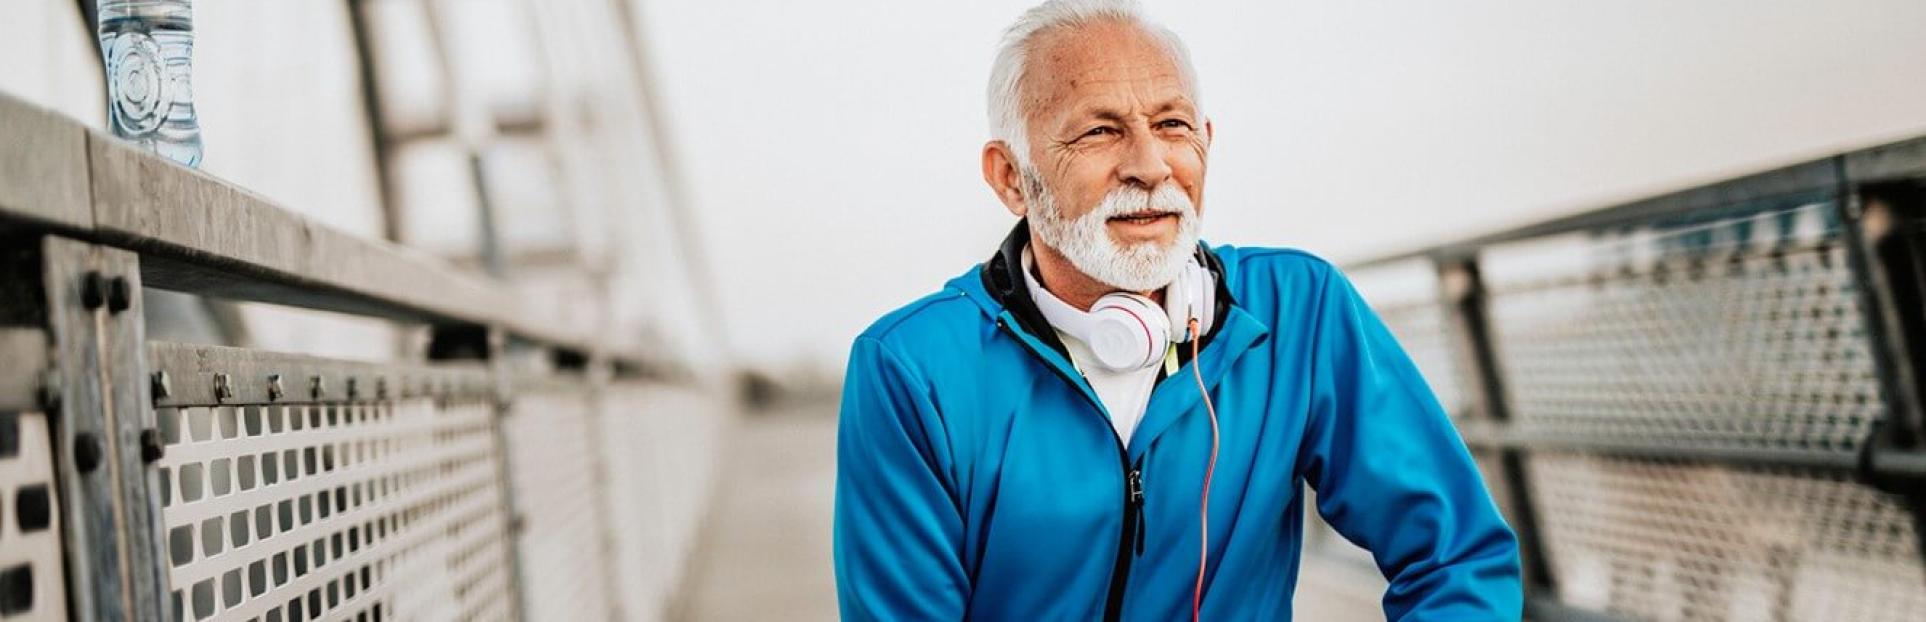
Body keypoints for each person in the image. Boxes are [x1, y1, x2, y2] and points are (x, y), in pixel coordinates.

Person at [832, 1, 1522, 619]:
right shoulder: (910, 371)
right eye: (1100, 132)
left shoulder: (1299, 309)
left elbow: (1457, 559)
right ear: (1012, 177)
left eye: (1172, 125)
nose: (1152, 165)